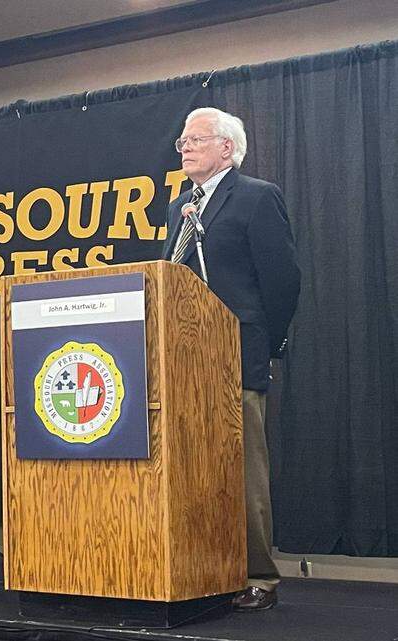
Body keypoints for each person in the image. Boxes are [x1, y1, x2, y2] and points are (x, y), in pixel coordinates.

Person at [163, 107, 301, 611]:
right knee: (192, 465)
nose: (184, 148)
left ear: (226, 148)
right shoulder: (180, 206)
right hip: (182, 358)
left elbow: (282, 280)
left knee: (242, 467)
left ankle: (258, 575)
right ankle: (204, 566)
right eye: (181, 142)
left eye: (194, 139)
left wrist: (265, 342)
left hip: (237, 351)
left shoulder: (257, 197)